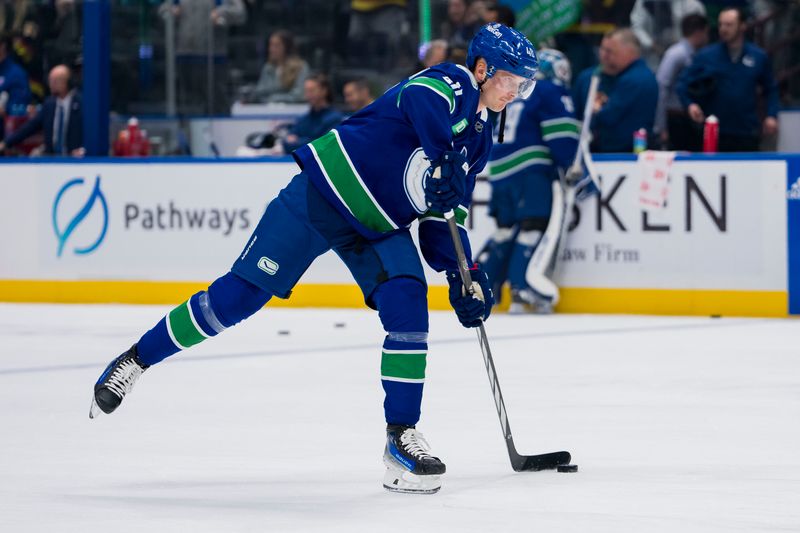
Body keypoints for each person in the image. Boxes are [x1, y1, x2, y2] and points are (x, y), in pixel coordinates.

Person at [88, 23, 538, 495]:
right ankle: (136, 360)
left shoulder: (482, 141)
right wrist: (441, 153)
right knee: (235, 300)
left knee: (408, 304)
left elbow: (442, 218)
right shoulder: (453, 81)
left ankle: (400, 437)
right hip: (322, 193)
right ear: (484, 69)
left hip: (378, 226)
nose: (515, 92)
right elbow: (418, 100)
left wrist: (463, 272)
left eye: (523, 84)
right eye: (511, 79)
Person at [477, 48, 583, 314]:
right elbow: (562, 134)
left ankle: (484, 289)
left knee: (504, 231)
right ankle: (521, 289)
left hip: (499, 170)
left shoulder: (513, 94)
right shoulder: (549, 91)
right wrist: (573, 165)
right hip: (529, 169)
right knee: (532, 228)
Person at [676, 6, 779, 152]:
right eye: (721, 24)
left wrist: (771, 115)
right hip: (714, 130)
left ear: (742, 26)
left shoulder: (758, 56)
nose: (723, 29)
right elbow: (682, 84)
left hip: (746, 131)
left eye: (729, 24)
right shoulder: (707, 55)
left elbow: (771, 88)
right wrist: (690, 105)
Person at [572, 28, 658, 153]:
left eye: (610, 51)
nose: (603, 55)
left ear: (629, 52)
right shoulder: (588, 77)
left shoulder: (635, 79)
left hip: (622, 154)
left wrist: (597, 109)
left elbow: (608, 116)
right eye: (602, 49)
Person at [159, 0, 246, 114]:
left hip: (213, 57)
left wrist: (221, 13)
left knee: (216, 102)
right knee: (187, 103)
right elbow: (163, 10)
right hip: (185, 56)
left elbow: (240, 12)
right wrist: (172, 11)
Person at [654, 13, 709, 151]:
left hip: (689, 117)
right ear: (699, 32)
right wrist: (661, 126)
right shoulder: (676, 54)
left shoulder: (697, 53)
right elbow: (662, 86)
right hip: (674, 118)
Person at [0, 64, 82, 155]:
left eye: (56, 80)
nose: (51, 84)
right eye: (50, 80)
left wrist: (84, 149)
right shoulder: (49, 105)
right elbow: (30, 127)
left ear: (67, 82)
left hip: (75, 160)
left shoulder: (82, 104)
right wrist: (6, 143)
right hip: (52, 159)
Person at [629, 0, 706, 70]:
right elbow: (636, 27)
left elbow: (700, 32)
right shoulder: (643, 2)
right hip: (652, 58)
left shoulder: (693, 5)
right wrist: (651, 44)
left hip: (682, 56)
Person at [280, 73, 343, 153]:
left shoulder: (334, 119)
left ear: (324, 91)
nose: (308, 95)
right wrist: (308, 141)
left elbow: (323, 146)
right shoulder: (302, 119)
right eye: (306, 91)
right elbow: (286, 144)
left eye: (312, 90)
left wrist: (298, 141)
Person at [249, 30, 309, 104]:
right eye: (270, 45)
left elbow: (300, 94)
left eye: (276, 46)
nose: (271, 49)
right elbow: (260, 92)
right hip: (268, 110)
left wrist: (275, 99)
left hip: (293, 110)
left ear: (287, 47)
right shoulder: (268, 68)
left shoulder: (301, 66)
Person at [0, 31, 30, 142]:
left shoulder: (16, 74)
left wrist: (5, 109)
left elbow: (21, 108)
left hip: (5, 138)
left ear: (2, 47)